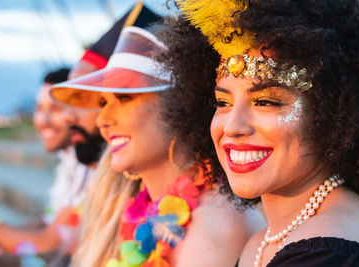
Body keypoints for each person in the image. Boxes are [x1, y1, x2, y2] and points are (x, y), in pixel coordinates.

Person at [170, 0, 359, 266]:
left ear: (334, 115)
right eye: (223, 103)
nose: (232, 127)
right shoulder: (264, 241)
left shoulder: (329, 251)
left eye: (266, 102)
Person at [51, 25, 265, 267]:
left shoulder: (218, 226)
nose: (102, 119)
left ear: (182, 106)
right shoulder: (141, 211)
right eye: (103, 102)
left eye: (124, 97)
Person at [0, 68, 105, 259]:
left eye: (56, 109)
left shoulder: (88, 165)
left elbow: (50, 243)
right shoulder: (69, 160)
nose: (43, 120)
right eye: (39, 109)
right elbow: (48, 222)